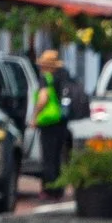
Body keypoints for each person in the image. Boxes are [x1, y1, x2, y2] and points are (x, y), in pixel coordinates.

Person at [34, 46, 73, 194]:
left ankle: (49, 189)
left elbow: (43, 99)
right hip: (61, 121)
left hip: (48, 121)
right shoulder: (63, 77)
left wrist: (35, 116)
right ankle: (59, 188)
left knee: (48, 157)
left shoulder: (45, 79)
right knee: (57, 156)